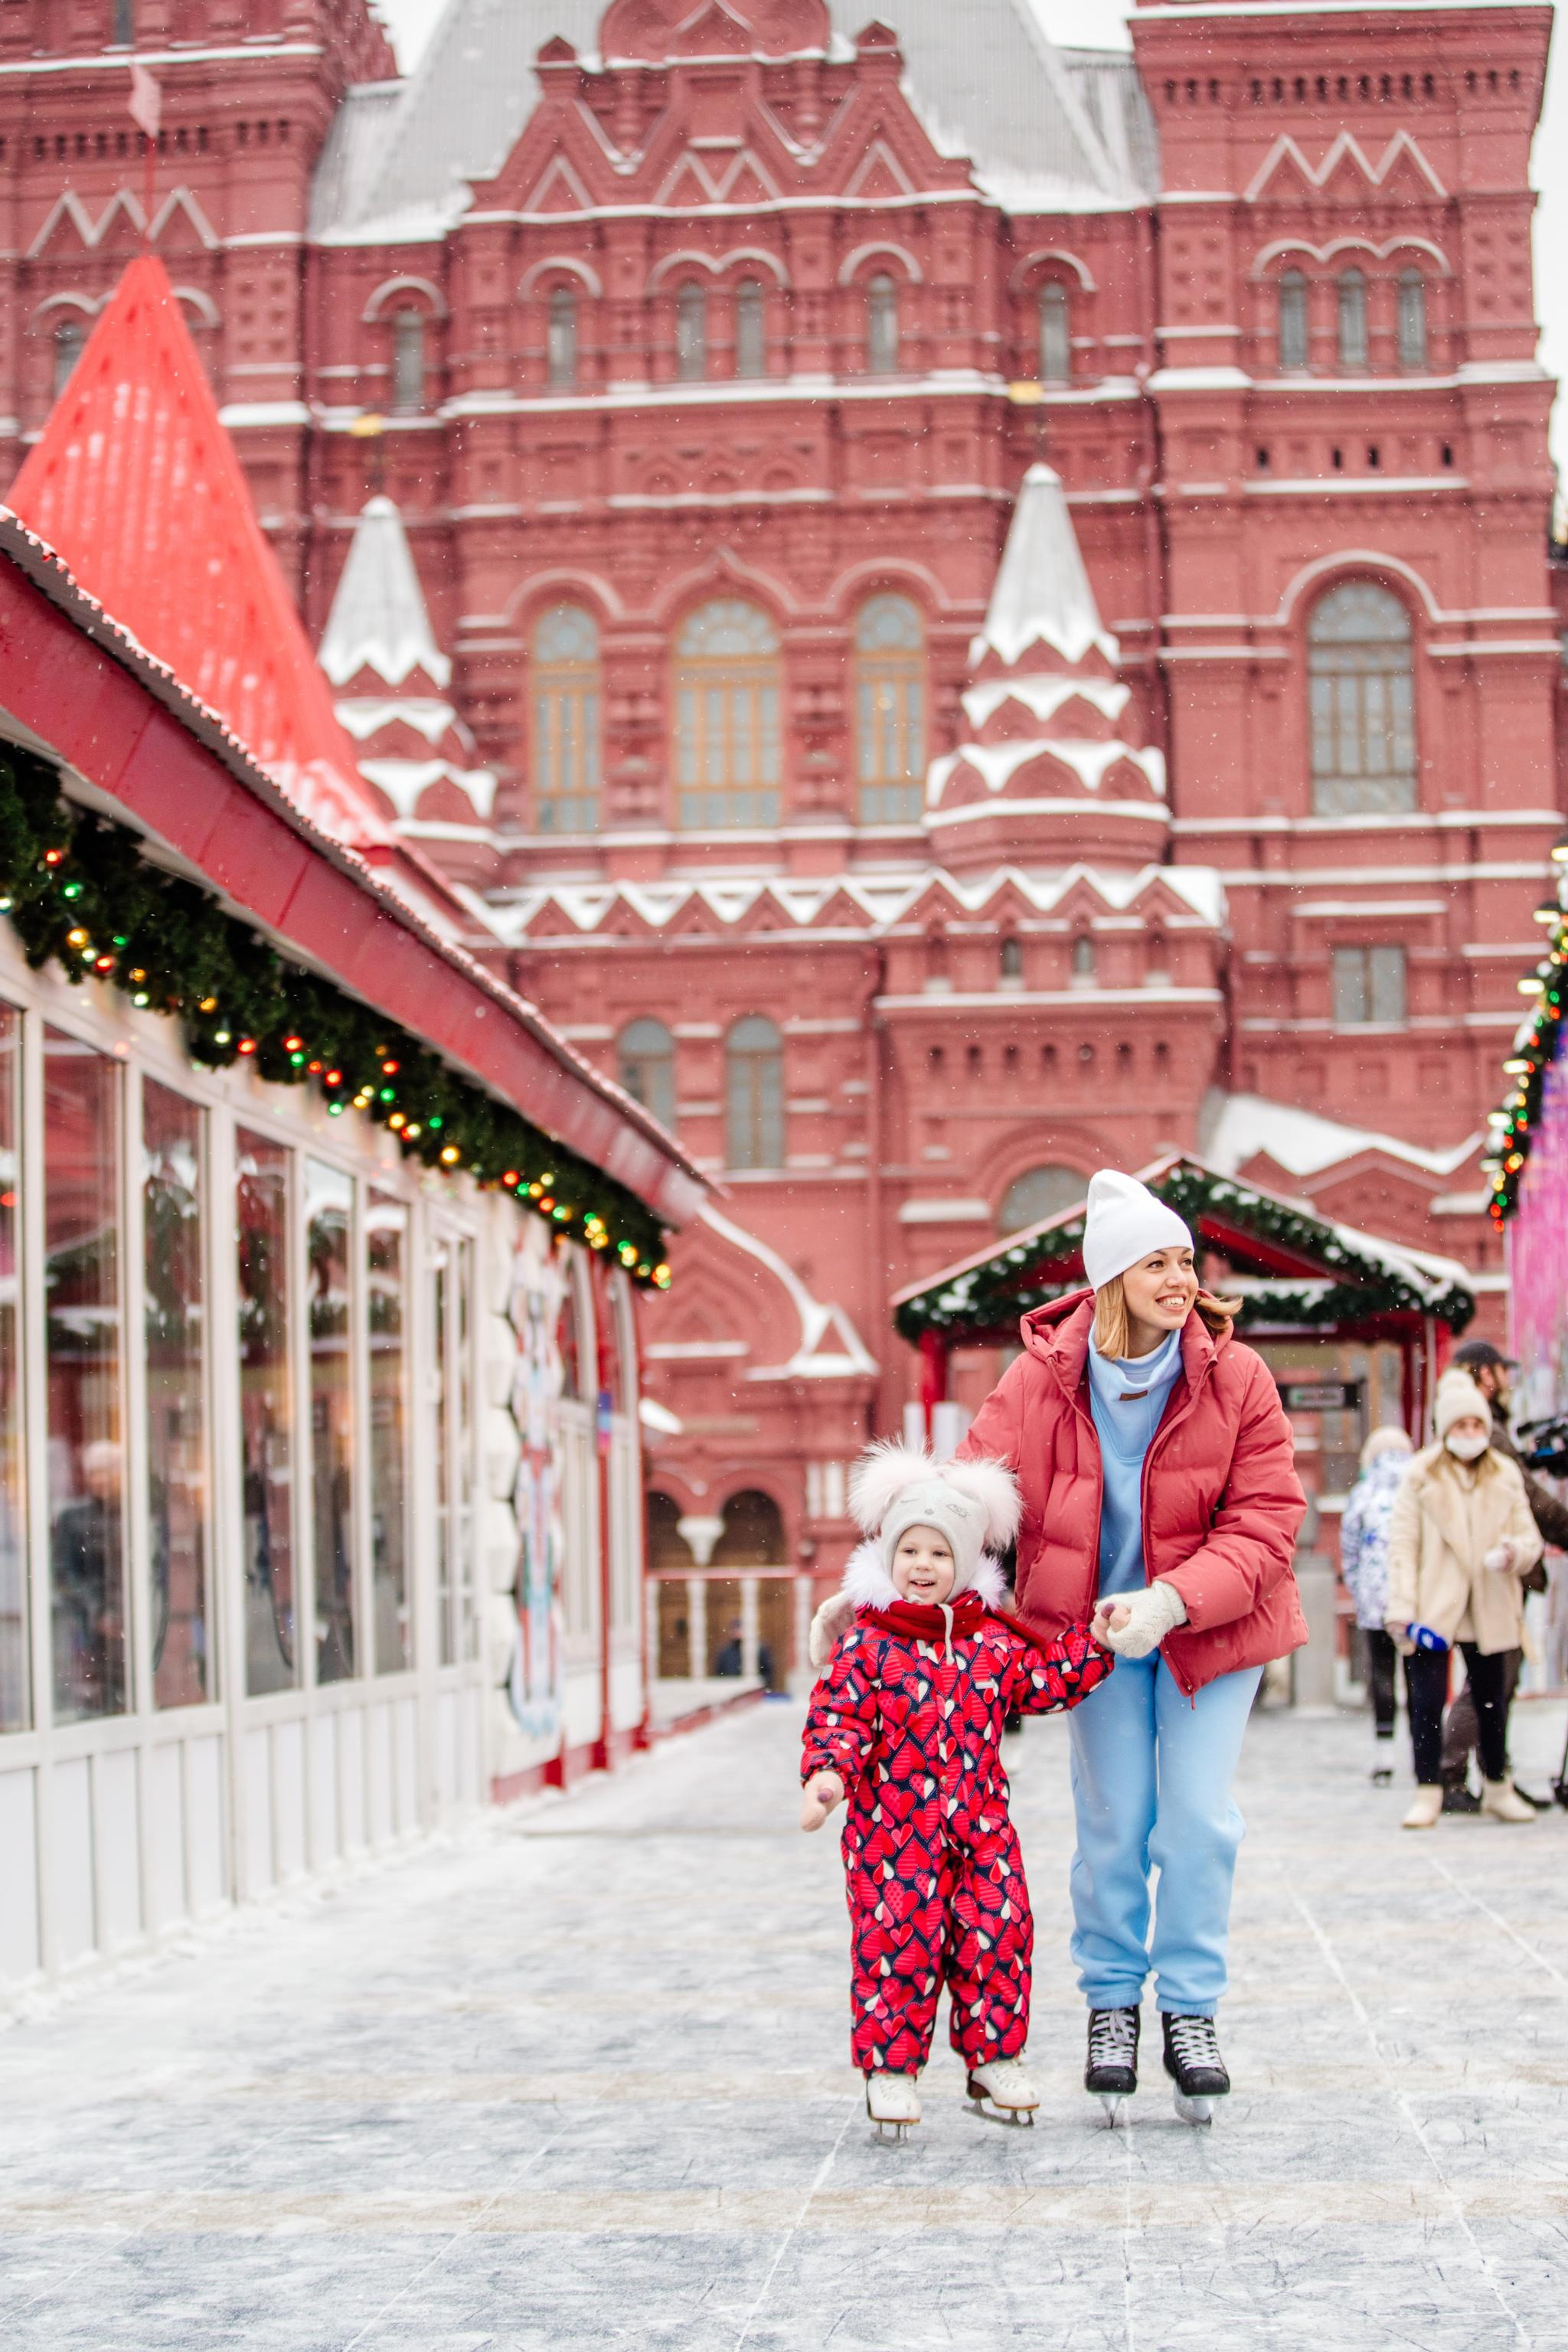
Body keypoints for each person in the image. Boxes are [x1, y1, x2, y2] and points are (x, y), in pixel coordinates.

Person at [958, 1170, 1308, 2124]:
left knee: (1194, 1822)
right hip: (1091, 1647)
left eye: (1186, 1260)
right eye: (1156, 1261)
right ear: (1111, 1277)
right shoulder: (1038, 1380)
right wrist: (876, 1586)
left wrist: (1172, 1599)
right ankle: (1111, 2004)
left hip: (1211, 1635)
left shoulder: (1236, 1378)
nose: (1179, 1278)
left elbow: (1269, 1518)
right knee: (1114, 1825)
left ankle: (1189, 2010)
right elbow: (967, 1496)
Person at [799, 1445, 1110, 2142]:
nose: (922, 1566)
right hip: (890, 1837)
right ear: (888, 1556)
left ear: (965, 1565)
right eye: (910, 1550)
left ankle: (995, 2058)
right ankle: (891, 2071)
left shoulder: (991, 1643)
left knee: (997, 1935)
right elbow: (838, 1718)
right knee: (896, 1944)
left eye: (940, 1555)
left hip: (981, 1829)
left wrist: (1096, 1643)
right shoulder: (870, 1648)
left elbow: (1043, 1683)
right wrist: (827, 1777)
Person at [1384, 1366, 1543, 1830]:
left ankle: (1497, 1786)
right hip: (1434, 1606)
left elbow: (1528, 1537)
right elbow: (1403, 1545)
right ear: (1445, 1428)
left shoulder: (1504, 1473)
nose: (1470, 1433)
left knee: (1494, 1700)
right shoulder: (1421, 1475)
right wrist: (1402, 1608)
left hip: (1491, 1600)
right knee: (1426, 1702)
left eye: (1477, 1425)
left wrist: (1514, 1553)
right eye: (1461, 1425)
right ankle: (1427, 1789)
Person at [1439, 1337, 1568, 1810]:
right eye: (1501, 1372)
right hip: (1493, 1572)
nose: (1508, 1382)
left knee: (1496, 1678)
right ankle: (1453, 1773)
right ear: (1484, 1374)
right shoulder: (1481, 1428)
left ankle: (1492, 1775)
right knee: (1494, 1678)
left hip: (1496, 1567)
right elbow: (1529, 1499)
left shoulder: (1472, 1423)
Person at [1338, 1426, 1414, 1782]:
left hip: (1374, 1603)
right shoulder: (1420, 1488)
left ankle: (1384, 1757)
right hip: (1414, 1599)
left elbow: (1349, 1548)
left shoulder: (1363, 1493)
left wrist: (1359, 1588)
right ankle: (1423, 1755)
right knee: (1419, 1679)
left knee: (1382, 1676)